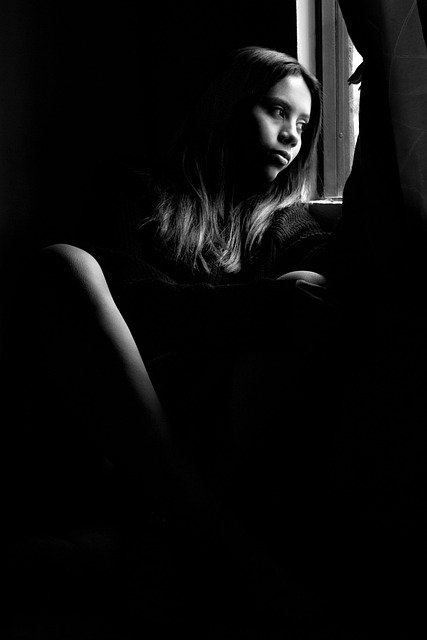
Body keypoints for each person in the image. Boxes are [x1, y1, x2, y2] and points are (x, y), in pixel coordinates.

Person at [26, 46, 339, 631]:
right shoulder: (135, 189)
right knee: (64, 264)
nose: (292, 137)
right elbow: (138, 306)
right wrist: (256, 306)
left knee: (308, 288)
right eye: (277, 111)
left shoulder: (284, 222)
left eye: (303, 125)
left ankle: (167, 534)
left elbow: (321, 287)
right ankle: (209, 541)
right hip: (126, 405)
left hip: (216, 420)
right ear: (228, 105)